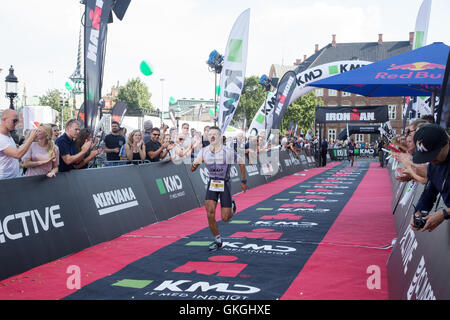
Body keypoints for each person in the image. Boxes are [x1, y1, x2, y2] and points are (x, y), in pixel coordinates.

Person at [191, 126, 247, 251]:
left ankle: (231, 205)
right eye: (210, 134)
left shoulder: (228, 151)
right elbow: (192, 168)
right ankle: (217, 240)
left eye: (215, 134)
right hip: (212, 183)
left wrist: (243, 180)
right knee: (210, 213)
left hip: (224, 183)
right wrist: (196, 163)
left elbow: (242, 162)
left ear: (220, 137)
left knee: (225, 218)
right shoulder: (204, 151)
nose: (212, 136)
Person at [410, 124, 450, 232]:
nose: (431, 160)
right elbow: (429, 192)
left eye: (433, 155)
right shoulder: (433, 165)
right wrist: (419, 211)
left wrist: (445, 213)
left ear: (446, 143)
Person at [0, 109, 38, 179]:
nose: (16, 123)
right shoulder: (1, 138)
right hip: (4, 179)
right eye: (14, 120)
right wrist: (31, 138)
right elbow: (17, 154)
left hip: (13, 177)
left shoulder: (8, 135)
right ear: (4, 119)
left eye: (17, 121)